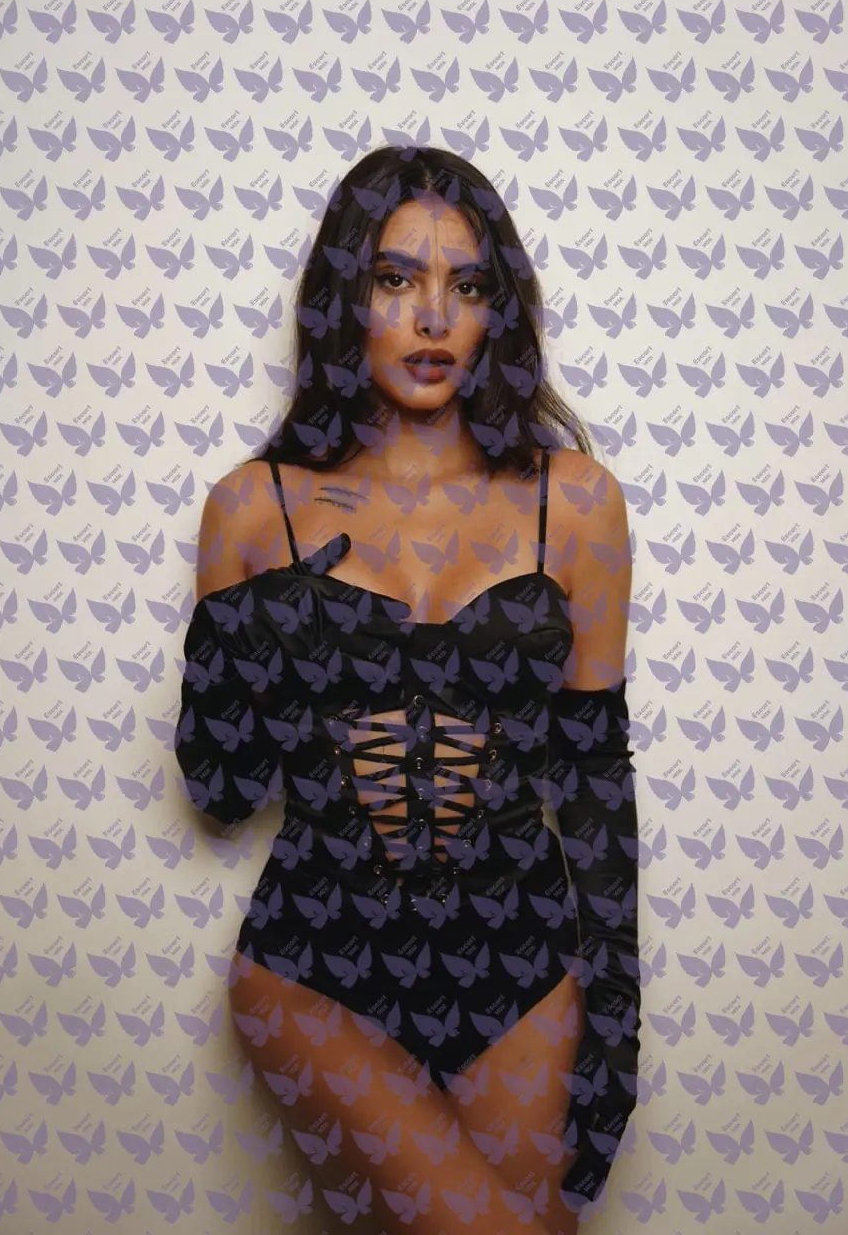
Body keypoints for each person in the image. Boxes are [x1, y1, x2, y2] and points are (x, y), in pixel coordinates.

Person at [174, 144, 641, 1235]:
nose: (432, 316)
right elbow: (220, 792)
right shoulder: (252, 508)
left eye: (465, 286)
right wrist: (248, 619)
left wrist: (616, 1018)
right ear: (345, 297)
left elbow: (590, 783)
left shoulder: (573, 503)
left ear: (496, 312)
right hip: (314, 958)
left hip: (520, 957)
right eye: (395, 279)